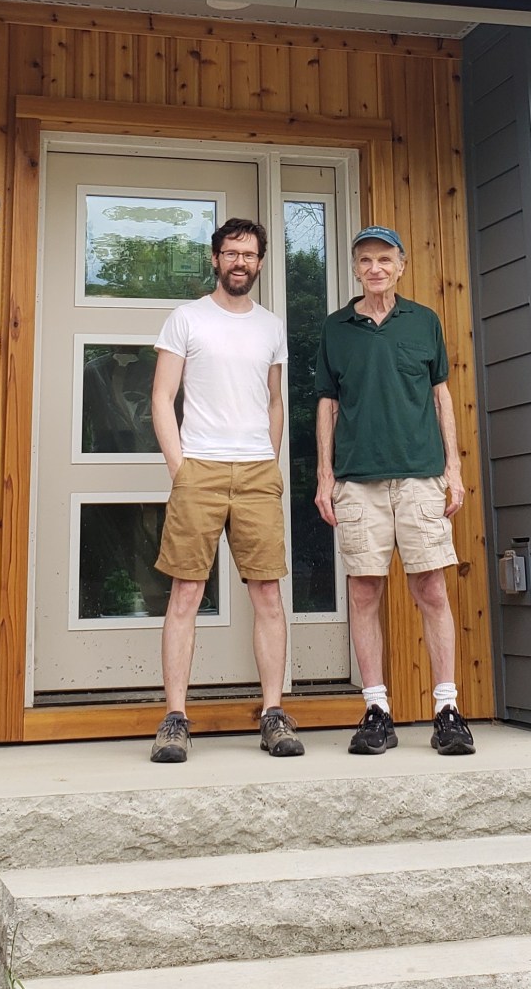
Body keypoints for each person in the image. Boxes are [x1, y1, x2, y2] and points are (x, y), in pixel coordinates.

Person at [314, 225, 476, 756]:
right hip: (358, 480)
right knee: (364, 591)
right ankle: (376, 709)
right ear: (356, 268)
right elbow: (327, 405)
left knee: (430, 588)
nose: (375, 268)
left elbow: (441, 396)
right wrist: (324, 476)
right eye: (366, 260)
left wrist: (453, 467)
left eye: (385, 259)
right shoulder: (337, 328)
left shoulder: (424, 322)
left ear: (401, 266)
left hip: (419, 475)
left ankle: (447, 709)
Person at [149, 218, 304, 763]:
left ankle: (273, 714)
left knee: (267, 594)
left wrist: (270, 454)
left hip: (257, 472)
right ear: (215, 259)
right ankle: (174, 718)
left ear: (260, 262)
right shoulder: (187, 318)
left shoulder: (271, 326)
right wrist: (181, 470)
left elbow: (274, 399)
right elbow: (162, 398)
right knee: (186, 594)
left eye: (250, 254)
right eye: (231, 252)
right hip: (201, 469)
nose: (240, 261)